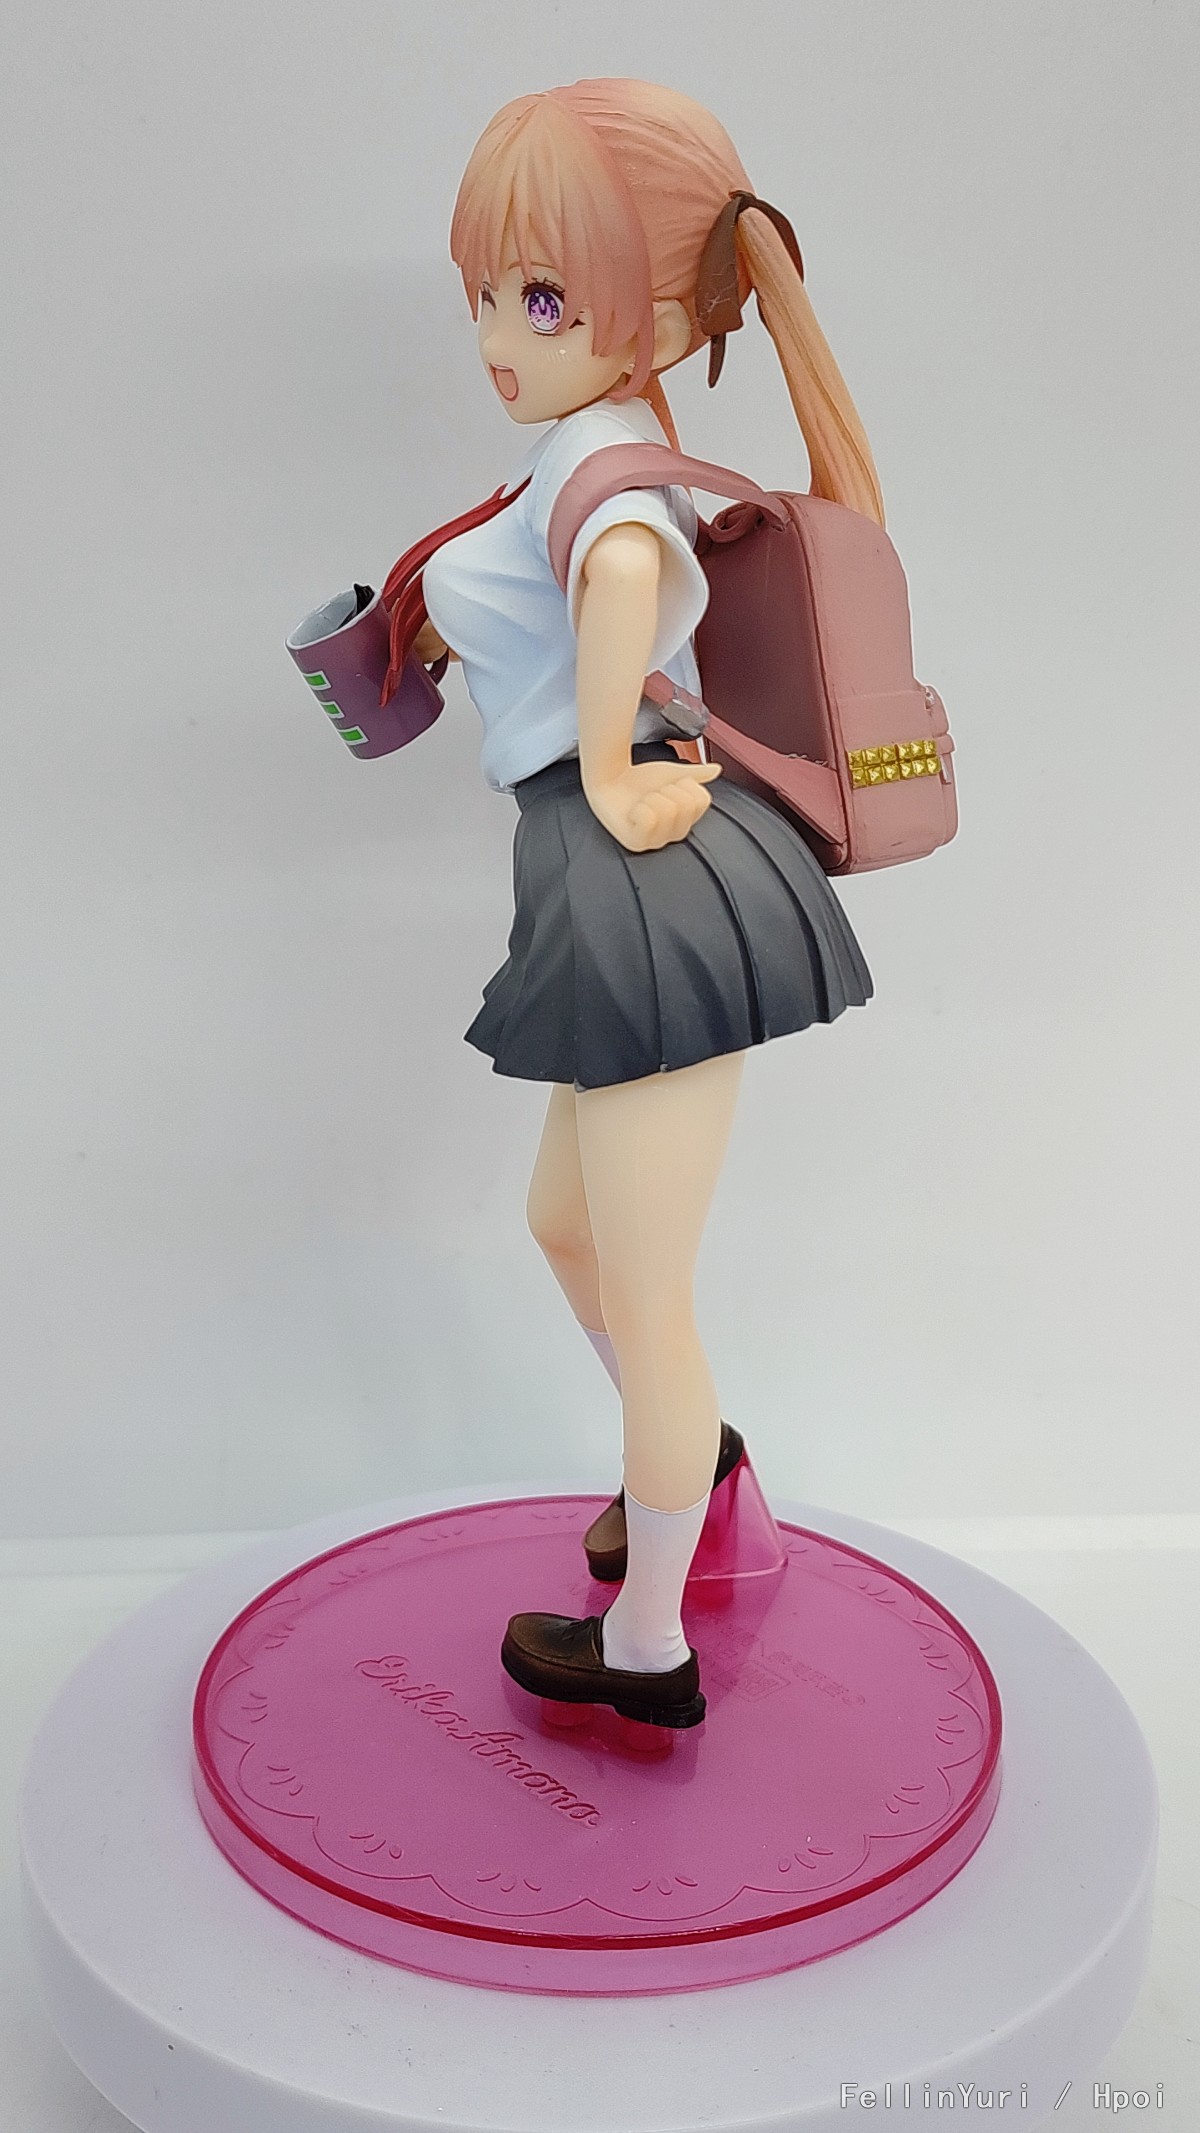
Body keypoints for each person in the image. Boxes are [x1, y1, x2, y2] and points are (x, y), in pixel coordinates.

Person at [387, 78, 878, 1730]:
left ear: (656, 315)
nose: (495, 337)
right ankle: (697, 1468)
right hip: (606, 866)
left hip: (643, 873)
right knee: (567, 1223)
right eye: (485, 293)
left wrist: (604, 762)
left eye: (540, 300)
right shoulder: (586, 445)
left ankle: (651, 1644)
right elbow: (574, 573)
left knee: (649, 1291)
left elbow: (619, 574)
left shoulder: (606, 464)